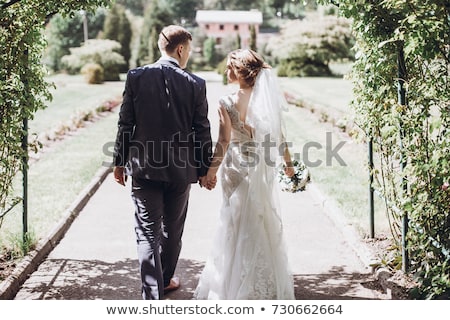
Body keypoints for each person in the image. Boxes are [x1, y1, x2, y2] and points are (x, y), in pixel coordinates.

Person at [112, 25, 212, 300]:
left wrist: (119, 162)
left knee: (147, 232)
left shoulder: (136, 77)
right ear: (180, 49)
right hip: (180, 171)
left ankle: (152, 293)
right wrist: (204, 170)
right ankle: (165, 279)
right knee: (172, 231)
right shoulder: (196, 84)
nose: (188, 55)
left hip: (144, 168)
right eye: (189, 50)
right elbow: (202, 130)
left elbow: (126, 123)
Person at [194, 49, 296, 299]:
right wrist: (289, 166)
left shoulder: (227, 102)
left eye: (230, 67)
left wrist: (210, 172)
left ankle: (233, 280)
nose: (226, 71)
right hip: (259, 167)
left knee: (234, 220)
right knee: (260, 218)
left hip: (236, 169)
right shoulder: (266, 100)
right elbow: (280, 138)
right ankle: (264, 281)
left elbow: (224, 141)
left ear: (240, 71)